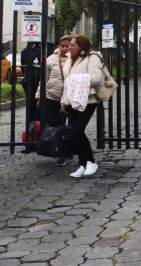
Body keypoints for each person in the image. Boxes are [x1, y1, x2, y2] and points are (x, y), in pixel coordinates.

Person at [60, 35, 103, 178]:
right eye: (69, 45)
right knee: (74, 132)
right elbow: (67, 82)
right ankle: (83, 165)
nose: (69, 48)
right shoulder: (69, 60)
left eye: (73, 45)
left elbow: (97, 78)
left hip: (88, 100)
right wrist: (63, 101)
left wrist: (77, 80)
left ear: (82, 47)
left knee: (77, 132)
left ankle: (91, 161)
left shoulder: (92, 58)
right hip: (72, 100)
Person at [36, 36, 72, 165]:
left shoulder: (75, 59)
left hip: (70, 97)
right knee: (56, 124)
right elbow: (44, 79)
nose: (64, 48)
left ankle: (70, 149)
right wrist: (40, 96)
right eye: (62, 45)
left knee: (72, 125)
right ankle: (59, 152)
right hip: (52, 96)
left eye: (67, 45)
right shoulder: (51, 59)